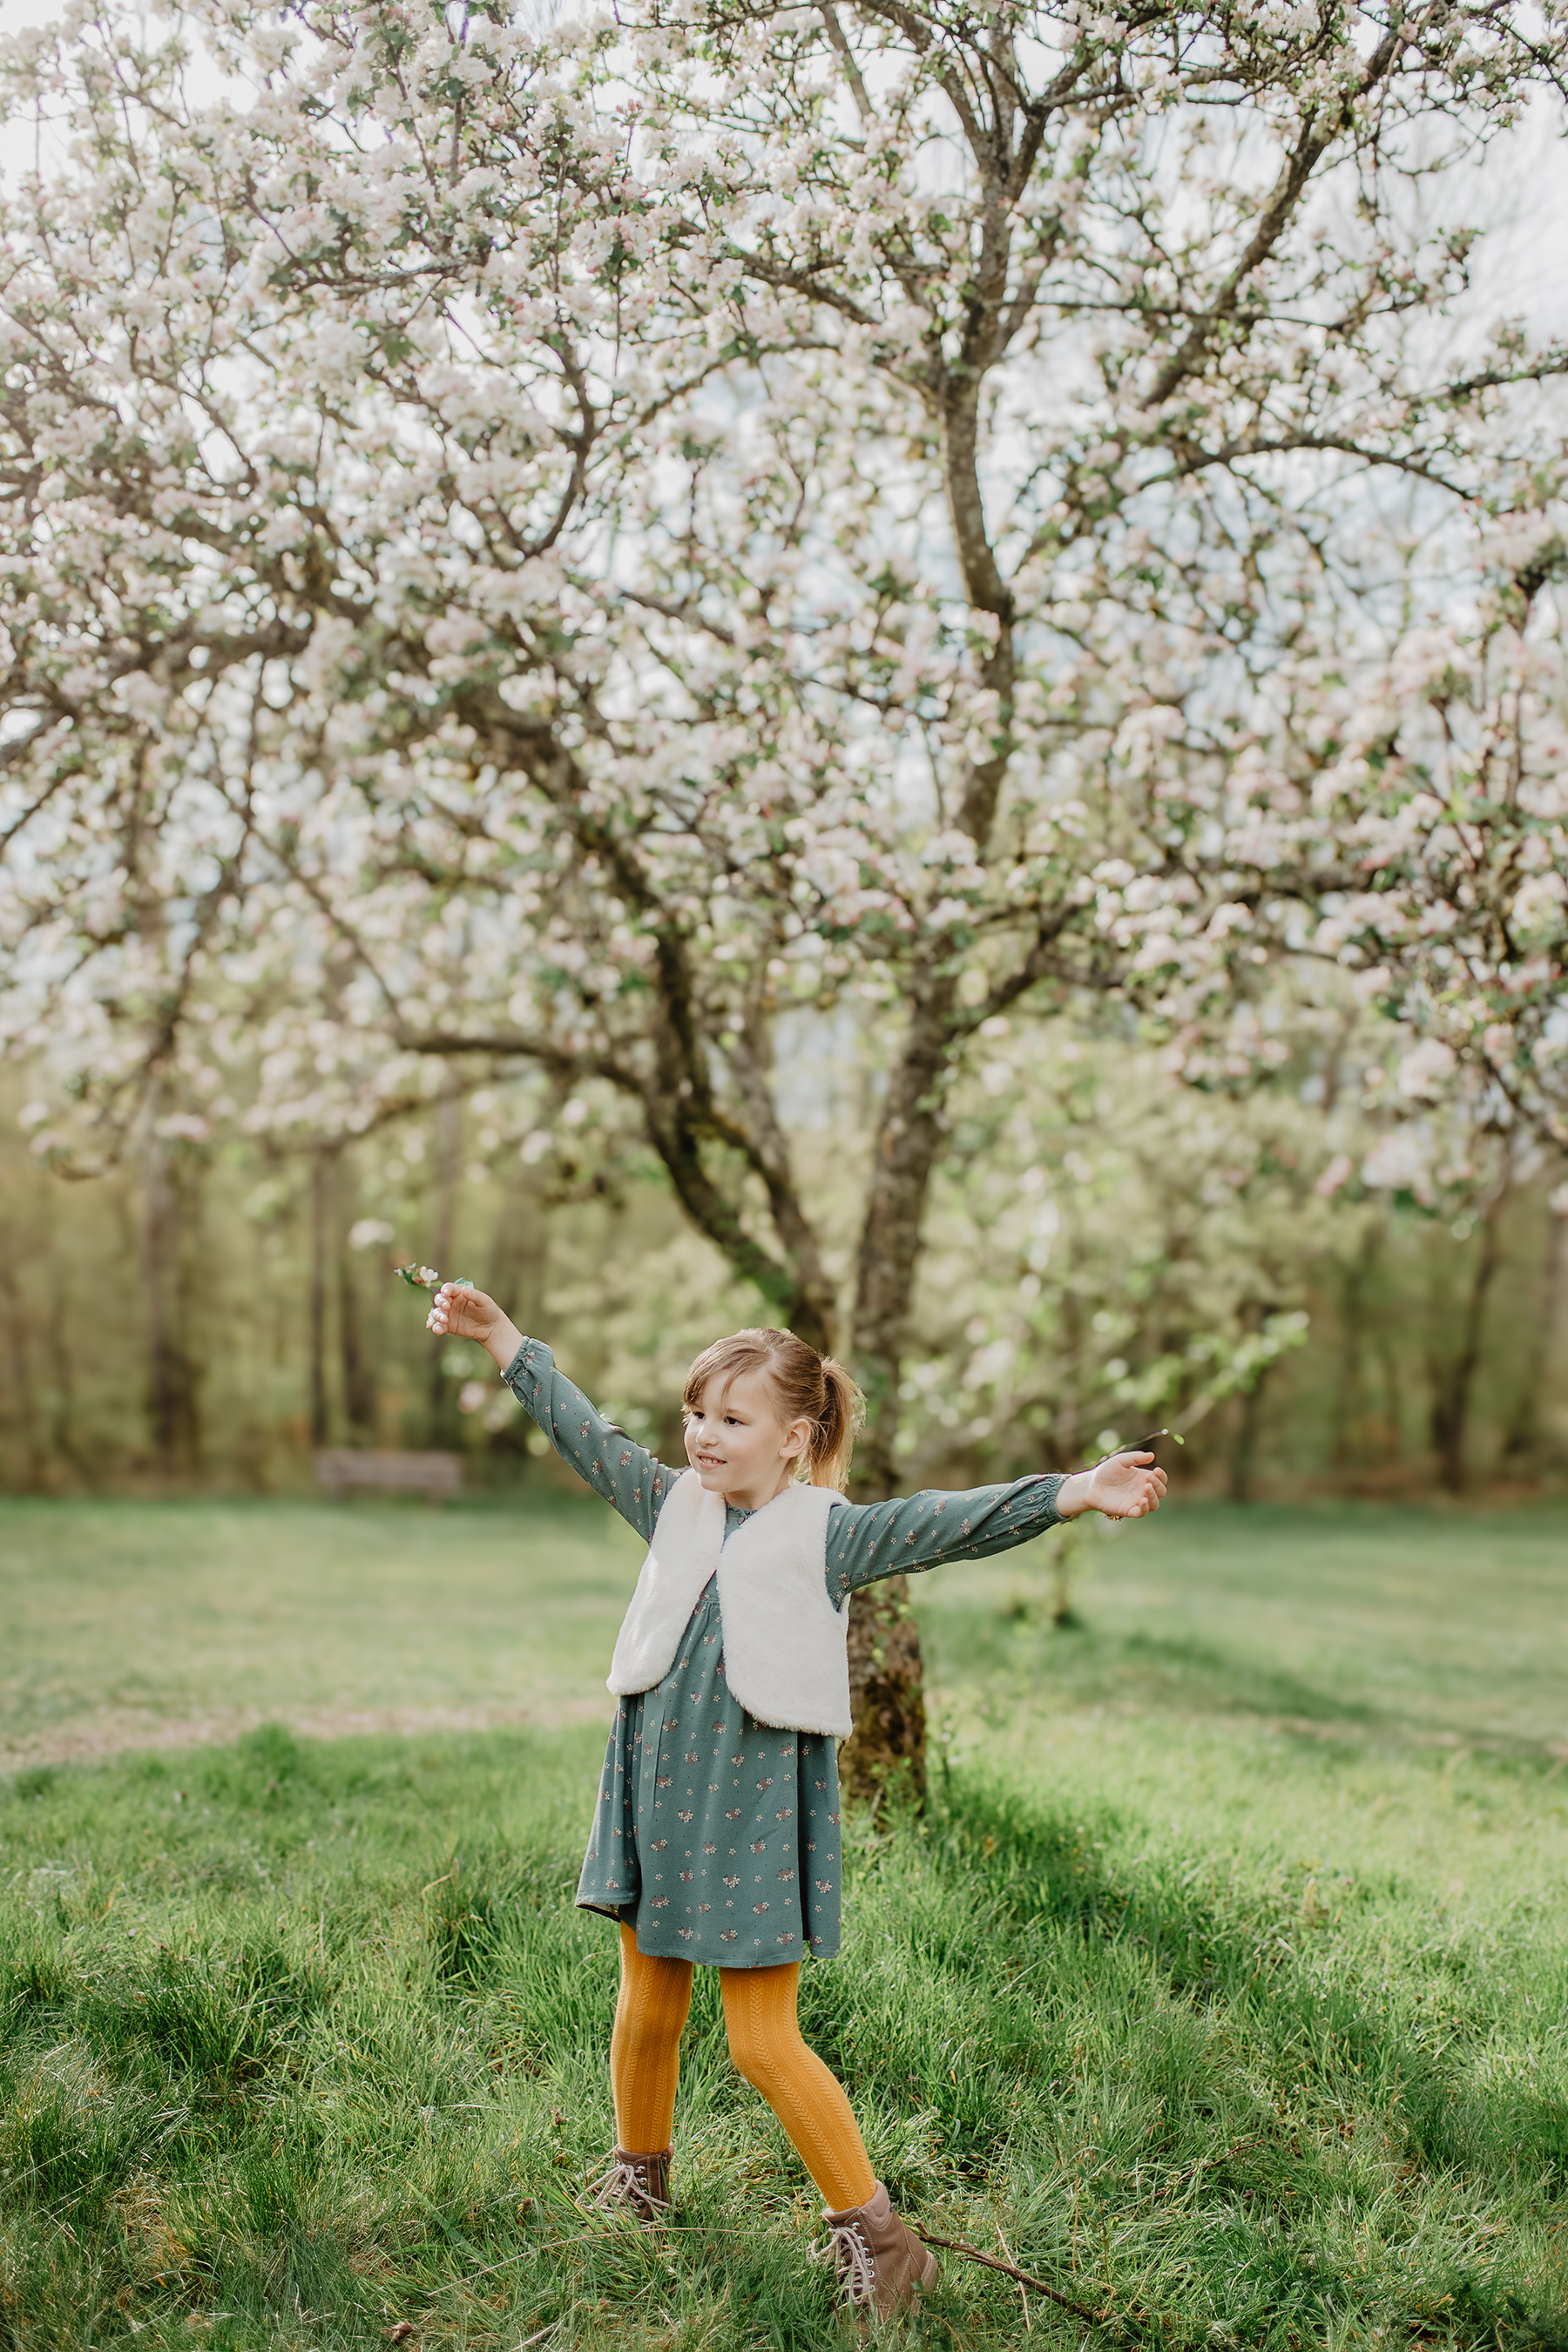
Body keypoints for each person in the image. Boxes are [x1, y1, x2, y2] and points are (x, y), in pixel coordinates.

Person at [423, 1281, 1166, 2318]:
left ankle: (883, 2242)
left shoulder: (830, 1534)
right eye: (697, 1412)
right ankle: (640, 2179)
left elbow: (944, 1521)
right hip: (655, 1785)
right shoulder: (672, 1502)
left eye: (733, 1419)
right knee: (647, 2003)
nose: (704, 1434)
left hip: (752, 1805)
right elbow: (585, 1434)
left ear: (794, 1438)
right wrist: (504, 1338)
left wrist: (1073, 1491)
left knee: (760, 2042)